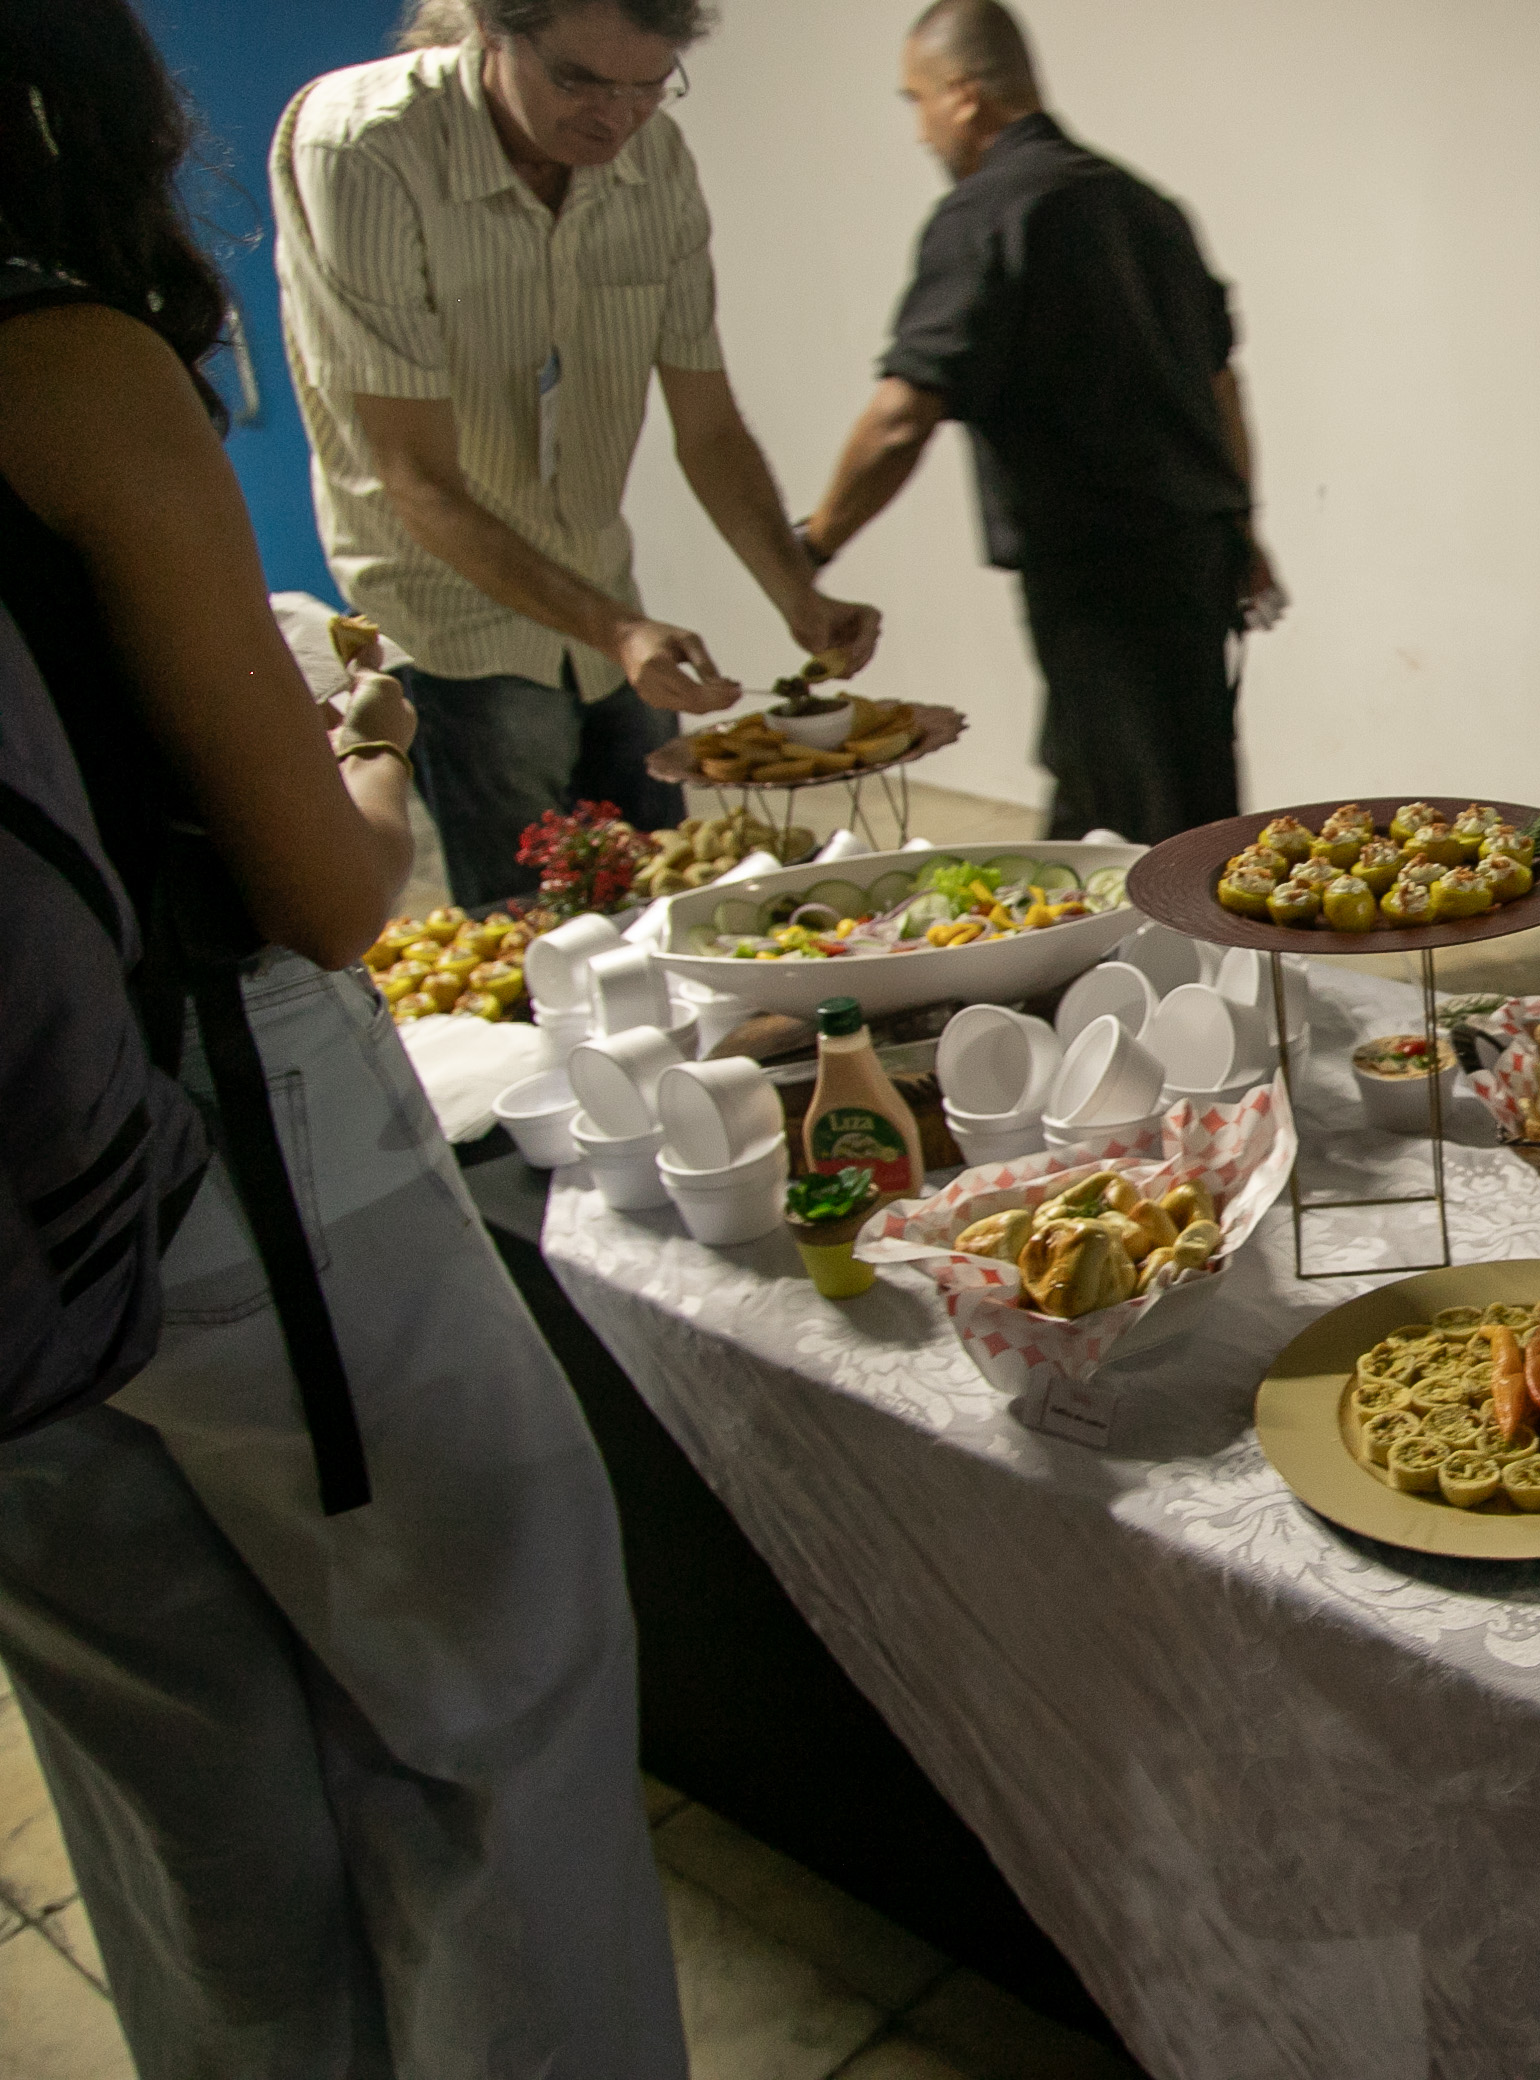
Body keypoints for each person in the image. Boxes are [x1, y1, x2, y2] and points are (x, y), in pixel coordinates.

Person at [0, 5, 688, 2072]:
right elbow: (320, 894)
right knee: (505, 1696)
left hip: (20, 1266)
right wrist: (365, 743)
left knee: (178, 1787)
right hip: (216, 1156)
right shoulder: (63, 360)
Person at [271, 0, 883, 909]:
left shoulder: (655, 158)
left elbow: (710, 428)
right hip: (451, 610)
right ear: (492, 29)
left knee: (673, 898)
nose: (615, 117)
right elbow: (416, 478)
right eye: (578, 81)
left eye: (648, 86)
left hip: (600, 586)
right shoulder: (364, 146)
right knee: (539, 928)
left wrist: (798, 594)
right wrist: (621, 630)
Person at [799, 0, 1282, 843]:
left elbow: (901, 417)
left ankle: (1166, 929)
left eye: (917, 101)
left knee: (1143, 829)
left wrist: (810, 547)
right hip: (1191, 559)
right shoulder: (1146, 207)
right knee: (1151, 796)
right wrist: (1241, 526)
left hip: (1098, 579)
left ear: (963, 94)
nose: (919, 131)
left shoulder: (989, 211)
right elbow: (1220, 387)